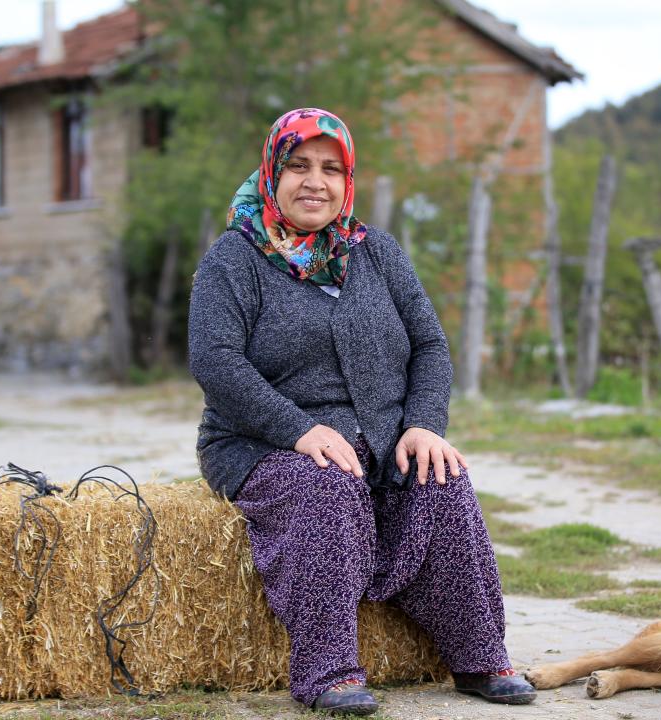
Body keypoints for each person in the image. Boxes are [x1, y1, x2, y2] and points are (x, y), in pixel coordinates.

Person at [187, 108, 535, 715]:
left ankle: (480, 656)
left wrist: (424, 424)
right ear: (272, 172)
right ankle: (329, 673)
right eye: (298, 166)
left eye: (330, 168)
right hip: (262, 443)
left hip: (381, 435)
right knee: (325, 486)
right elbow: (216, 364)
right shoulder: (233, 259)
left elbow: (429, 343)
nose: (314, 182)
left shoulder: (374, 251)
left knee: (443, 479)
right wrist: (298, 429)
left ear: (349, 180)